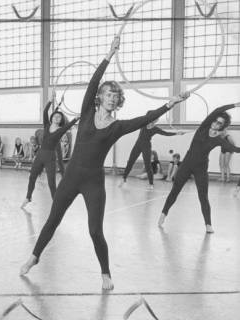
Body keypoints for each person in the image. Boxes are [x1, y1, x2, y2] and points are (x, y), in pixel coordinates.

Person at [19, 36, 189, 290]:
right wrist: (109, 54)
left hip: (93, 183)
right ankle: (34, 257)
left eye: (115, 95)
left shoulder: (117, 126)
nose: (111, 97)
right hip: (71, 177)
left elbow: (145, 119)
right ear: (100, 97)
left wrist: (170, 103)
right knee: (52, 220)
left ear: (118, 101)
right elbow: (93, 82)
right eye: (108, 94)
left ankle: (106, 274)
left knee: (95, 231)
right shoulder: (87, 111)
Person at [159, 102, 240, 234]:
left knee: (203, 197)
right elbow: (218, 108)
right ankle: (163, 214)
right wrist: (235, 105)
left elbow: (234, 149)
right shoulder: (203, 128)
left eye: (219, 123)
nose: (215, 124)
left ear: (222, 126)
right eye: (215, 121)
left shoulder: (219, 140)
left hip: (201, 169)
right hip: (186, 165)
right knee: (175, 191)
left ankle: (208, 224)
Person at [21, 98, 79, 208]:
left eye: (59, 116)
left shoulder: (61, 129)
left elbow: (69, 124)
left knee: (51, 183)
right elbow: (44, 111)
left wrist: (76, 118)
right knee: (32, 176)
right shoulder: (46, 125)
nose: (57, 117)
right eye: (55, 115)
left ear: (60, 120)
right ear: (52, 118)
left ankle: (56, 203)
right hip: (40, 155)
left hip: (50, 158)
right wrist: (51, 100)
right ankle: (28, 197)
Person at [119, 119, 184, 189]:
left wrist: (177, 133)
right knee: (130, 161)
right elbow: (134, 123)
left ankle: (151, 184)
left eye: (156, 120)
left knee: (148, 165)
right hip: (137, 145)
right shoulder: (143, 124)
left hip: (146, 146)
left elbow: (165, 133)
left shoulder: (155, 129)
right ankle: (124, 179)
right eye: (155, 120)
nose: (155, 122)